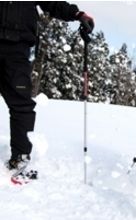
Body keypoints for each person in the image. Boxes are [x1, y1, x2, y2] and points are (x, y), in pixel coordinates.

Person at [0, 2, 94, 172]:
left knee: (22, 105)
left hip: (18, 50)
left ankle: (20, 159)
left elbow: (52, 3)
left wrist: (77, 14)